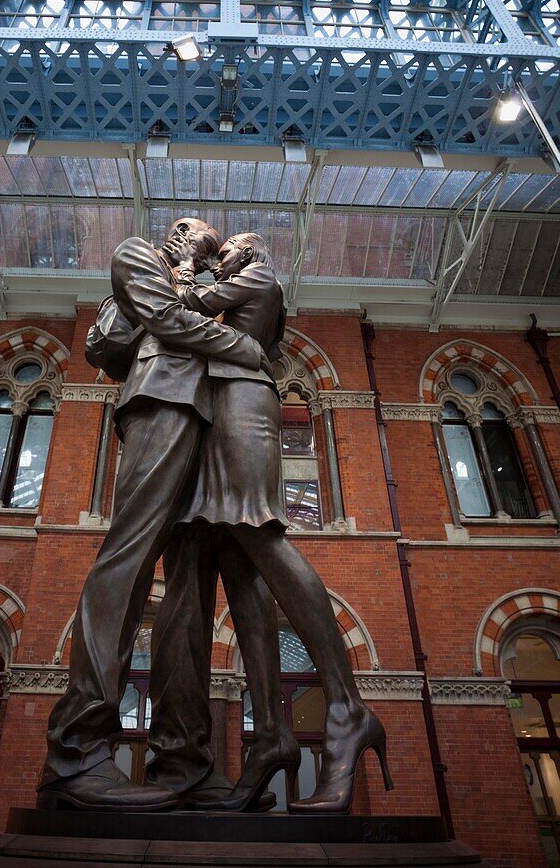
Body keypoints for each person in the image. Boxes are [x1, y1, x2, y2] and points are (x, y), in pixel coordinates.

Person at [149, 232, 393, 813]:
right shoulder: (242, 287)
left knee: (258, 529)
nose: (221, 255)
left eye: (228, 247)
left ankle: (348, 710)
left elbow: (186, 309)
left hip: (244, 402)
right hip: (219, 406)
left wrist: (184, 271)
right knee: (237, 560)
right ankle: (272, 735)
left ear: (249, 252)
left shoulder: (260, 277)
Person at [38, 218, 274, 811]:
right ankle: (77, 753)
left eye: (219, 249)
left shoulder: (210, 284)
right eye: (203, 239)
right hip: (161, 401)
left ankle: (185, 763)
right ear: (177, 231)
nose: (213, 253)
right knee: (129, 558)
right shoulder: (137, 253)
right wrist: (240, 346)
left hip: (211, 420)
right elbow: (121, 340)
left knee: (192, 591)